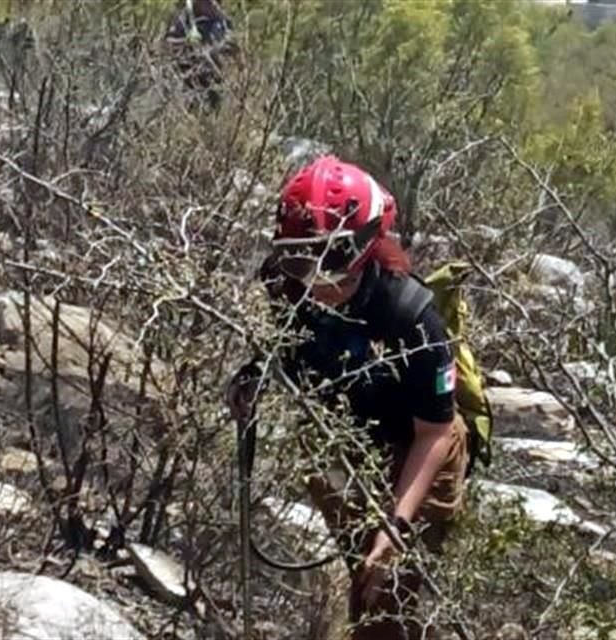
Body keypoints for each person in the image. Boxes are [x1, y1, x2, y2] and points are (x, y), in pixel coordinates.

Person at [227, 155, 470, 640]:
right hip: (342, 441)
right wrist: (253, 377)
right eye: (301, 257)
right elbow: (281, 347)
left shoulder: (411, 315)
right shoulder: (284, 284)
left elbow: (435, 432)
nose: (317, 278)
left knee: (385, 602)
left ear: (363, 248)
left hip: (417, 451)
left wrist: (396, 527)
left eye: (333, 258)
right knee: (363, 576)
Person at [162, 0, 237, 110]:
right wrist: (185, 43)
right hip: (186, 77)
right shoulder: (184, 18)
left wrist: (214, 50)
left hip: (214, 79)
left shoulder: (223, 22)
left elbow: (233, 47)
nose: (211, 4)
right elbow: (168, 43)